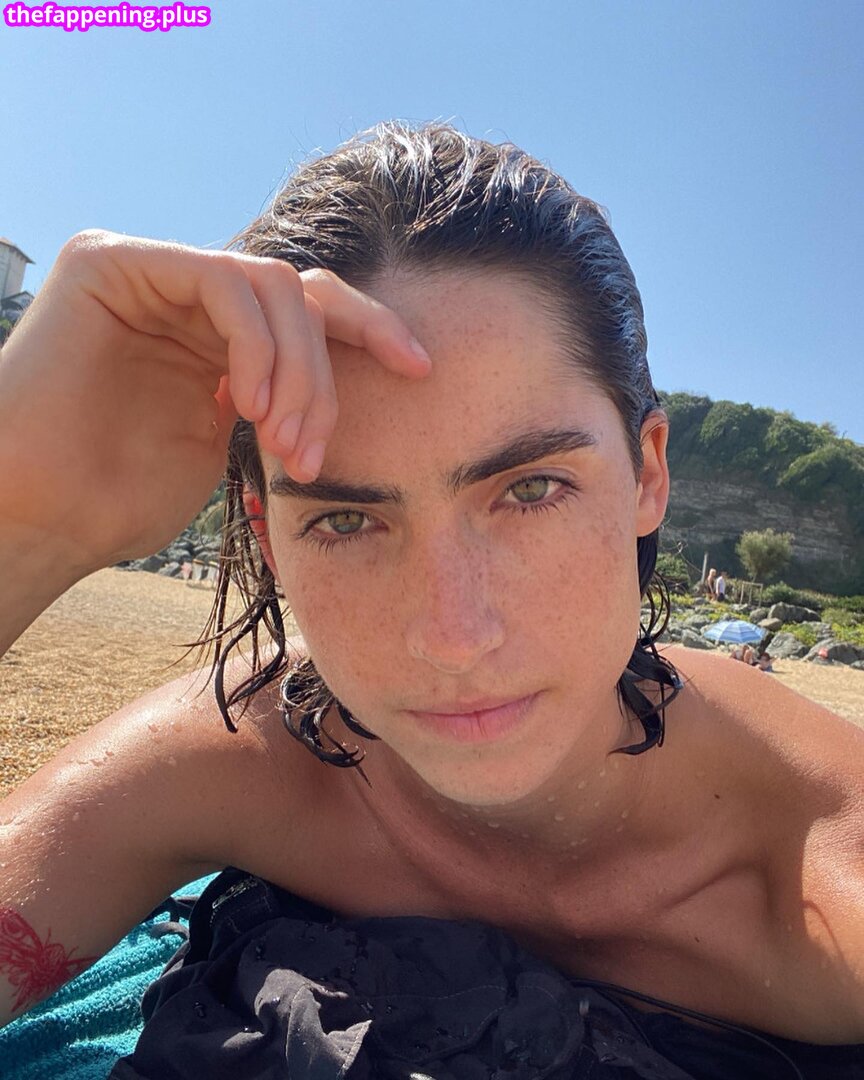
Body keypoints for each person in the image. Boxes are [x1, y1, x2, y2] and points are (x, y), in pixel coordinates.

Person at [1, 121, 863, 1078]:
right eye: (346, 520)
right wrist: (23, 528)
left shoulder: (826, 874)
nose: (454, 637)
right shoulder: (252, 758)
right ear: (267, 533)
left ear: (647, 474)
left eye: (531, 489)